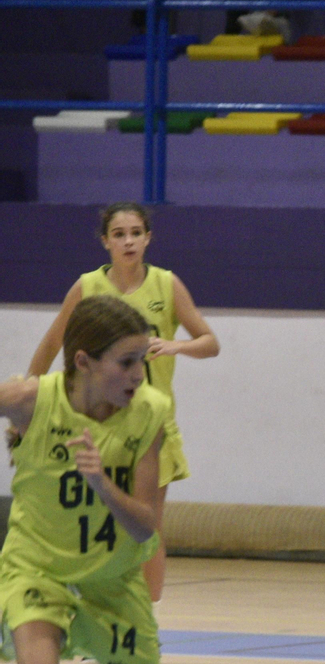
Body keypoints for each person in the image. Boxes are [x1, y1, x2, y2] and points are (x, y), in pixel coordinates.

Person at [1, 295, 208, 664]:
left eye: (143, 361)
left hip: (113, 582)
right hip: (37, 565)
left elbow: (146, 526)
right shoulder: (31, 399)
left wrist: (101, 483)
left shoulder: (149, 412)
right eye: (127, 363)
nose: (138, 376)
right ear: (84, 361)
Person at [28, 203, 221, 605]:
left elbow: (210, 342)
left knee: (147, 527)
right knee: (93, 522)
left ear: (148, 238)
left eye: (136, 232)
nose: (128, 241)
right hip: (96, 424)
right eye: (119, 234)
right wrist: (32, 403)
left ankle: (142, 617)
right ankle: (95, 611)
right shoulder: (87, 287)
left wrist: (177, 345)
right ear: (105, 242)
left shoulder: (166, 285)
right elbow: (50, 344)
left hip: (150, 426)